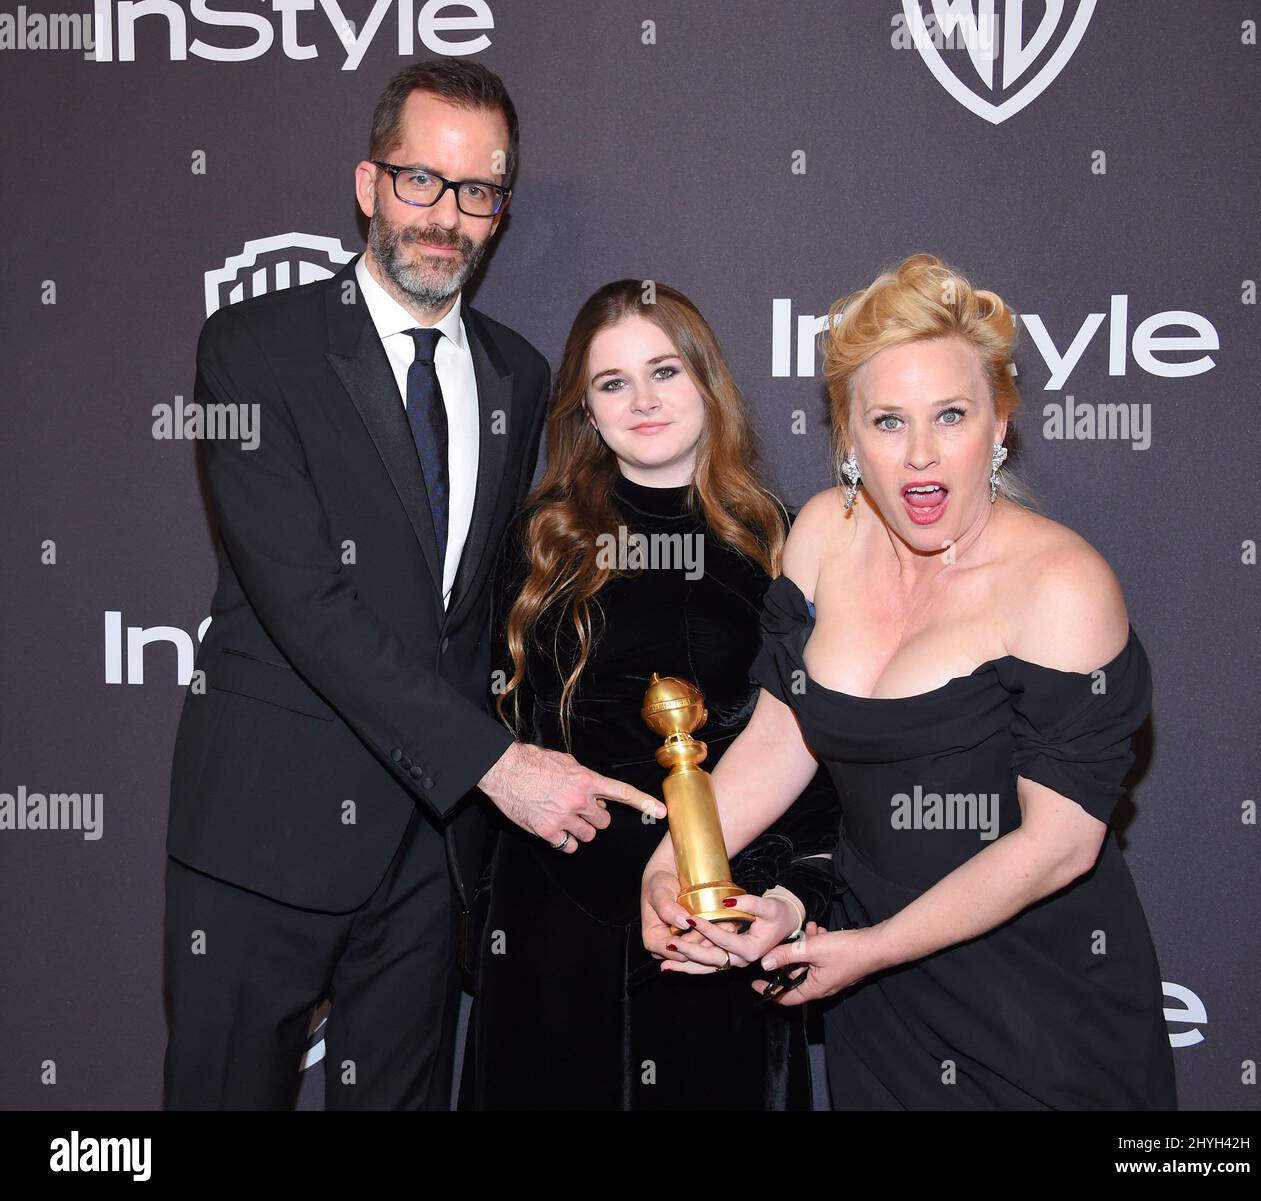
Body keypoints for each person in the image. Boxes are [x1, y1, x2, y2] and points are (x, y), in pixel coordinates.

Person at [163, 61, 663, 1111]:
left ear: (500, 213)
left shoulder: (520, 375)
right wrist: (496, 764)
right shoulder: (253, 350)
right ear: (366, 184)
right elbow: (305, 603)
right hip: (267, 836)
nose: (446, 216)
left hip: (433, 856)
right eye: (421, 181)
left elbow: (483, 615)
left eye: (477, 191)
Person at [641, 254, 1177, 1110]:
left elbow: (1059, 844)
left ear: (1000, 424)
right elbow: (782, 738)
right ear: (848, 438)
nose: (921, 455)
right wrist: (669, 864)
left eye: (951, 416)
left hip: (1035, 1001)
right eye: (887, 422)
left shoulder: (1062, 583)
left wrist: (876, 946)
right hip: (880, 1005)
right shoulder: (821, 533)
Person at [459, 280, 841, 1110]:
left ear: (708, 381)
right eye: (612, 382)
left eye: (664, 371)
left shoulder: (785, 539)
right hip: (555, 917)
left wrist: (775, 891)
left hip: (716, 911)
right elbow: (490, 739)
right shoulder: (539, 541)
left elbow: (814, 749)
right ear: (586, 411)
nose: (642, 400)